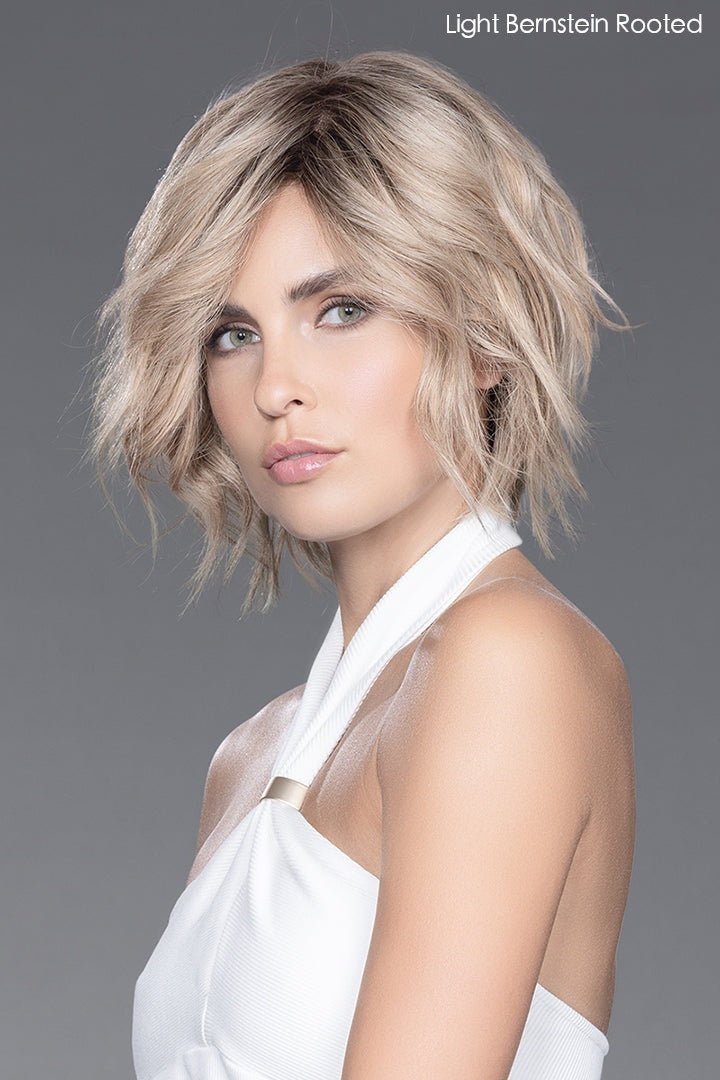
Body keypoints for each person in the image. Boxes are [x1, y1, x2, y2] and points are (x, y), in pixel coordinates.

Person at [87, 50, 636, 1080]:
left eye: (341, 310)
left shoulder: (509, 660)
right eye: (232, 332)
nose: (275, 386)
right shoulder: (251, 757)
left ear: (485, 338)